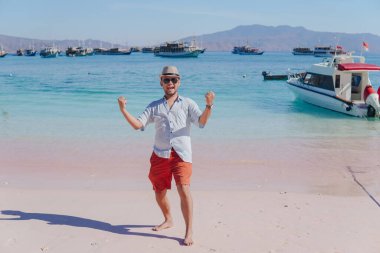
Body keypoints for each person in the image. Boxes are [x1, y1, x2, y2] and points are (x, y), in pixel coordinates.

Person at [117, 66, 215, 246]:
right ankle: (168, 219)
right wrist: (123, 110)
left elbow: (201, 123)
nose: (170, 83)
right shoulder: (154, 106)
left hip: (181, 154)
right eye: (166, 80)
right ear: (161, 82)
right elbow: (138, 125)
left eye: (174, 80)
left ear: (179, 82)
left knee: (183, 189)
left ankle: (188, 231)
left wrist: (208, 106)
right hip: (159, 154)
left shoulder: (188, 103)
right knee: (159, 191)